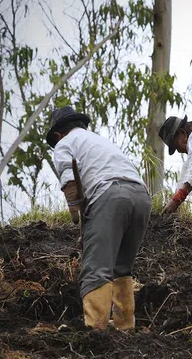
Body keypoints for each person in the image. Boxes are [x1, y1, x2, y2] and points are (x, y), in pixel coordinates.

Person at [46, 106, 152, 330]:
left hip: (110, 196)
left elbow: (69, 177)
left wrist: (74, 210)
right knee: (122, 267)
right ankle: (125, 327)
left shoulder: (65, 143)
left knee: (96, 268)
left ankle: (95, 330)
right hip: (141, 197)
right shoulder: (99, 141)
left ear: (58, 134)